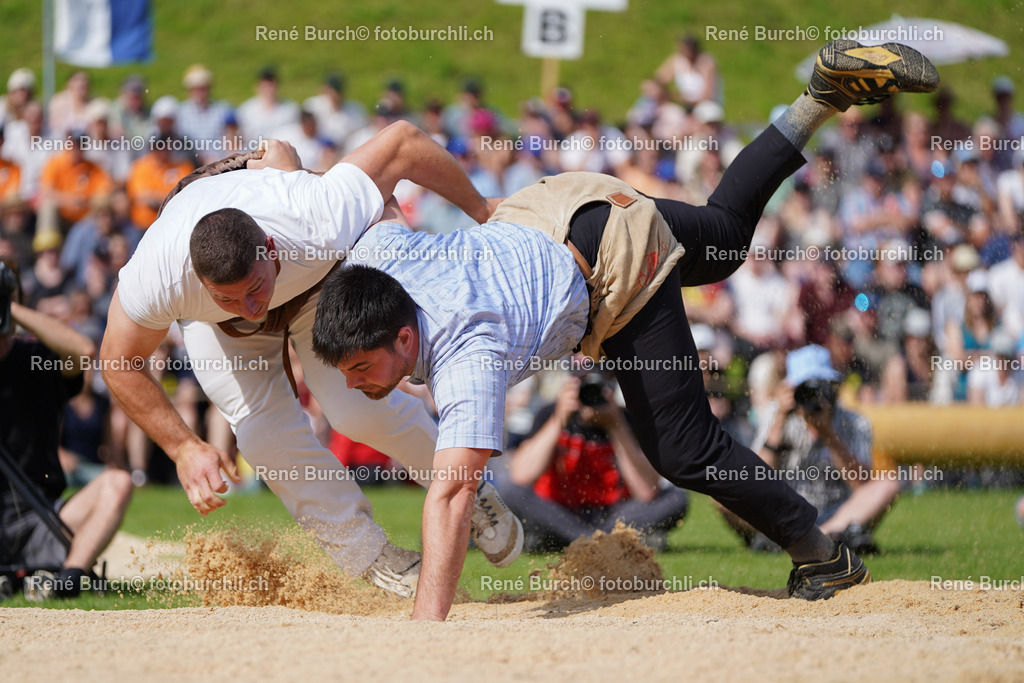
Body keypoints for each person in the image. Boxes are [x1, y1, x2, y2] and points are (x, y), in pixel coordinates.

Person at [311, 40, 939, 620]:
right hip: (553, 207)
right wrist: (476, 208)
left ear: (403, 340)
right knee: (721, 240)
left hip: (612, 264)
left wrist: (425, 629)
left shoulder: (466, 355)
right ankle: (819, 97)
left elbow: (451, 494)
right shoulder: (377, 263)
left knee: (682, 449)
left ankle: (821, 553)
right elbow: (395, 147)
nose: (355, 383)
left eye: (362, 369)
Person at [99, 121, 522, 599]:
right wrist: (183, 448)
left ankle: (468, 487)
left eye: (255, 289)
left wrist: (482, 208)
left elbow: (403, 141)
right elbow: (117, 361)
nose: (254, 309)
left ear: (271, 249)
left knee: (356, 409)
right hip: (218, 325)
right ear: (197, 280)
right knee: (262, 435)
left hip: (315, 283)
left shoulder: (313, 214)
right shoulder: (157, 277)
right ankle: (373, 558)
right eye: (231, 296)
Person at [0, 261, 132, 598]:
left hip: (45, 518)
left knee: (117, 482)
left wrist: (9, 306)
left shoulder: (37, 360)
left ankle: (67, 579)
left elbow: (83, 351)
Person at [497, 372, 689, 553]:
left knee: (675, 498)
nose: (589, 392)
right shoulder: (550, 413)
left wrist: (616, 425)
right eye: (582, 383)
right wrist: (559, 419)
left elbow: (647, 491)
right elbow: (521, 475)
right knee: (509, 491)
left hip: (614, 515)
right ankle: (610, 541)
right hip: (561, 512)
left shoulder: (626, 419)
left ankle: (564, 540)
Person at [756, 346, 900, 554]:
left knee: (888, 484)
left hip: (839, 513)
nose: (815, 396)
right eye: (805, 388)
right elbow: (757, 478)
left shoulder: (856, 422)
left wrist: (830, 436)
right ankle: (826, 538)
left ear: (834, 386)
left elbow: (861, 485)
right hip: (785, 513)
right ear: (790, 389)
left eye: (821, 386)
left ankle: (812, 537)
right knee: (726, 491)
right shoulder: (775, 414)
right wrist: (779, 421)